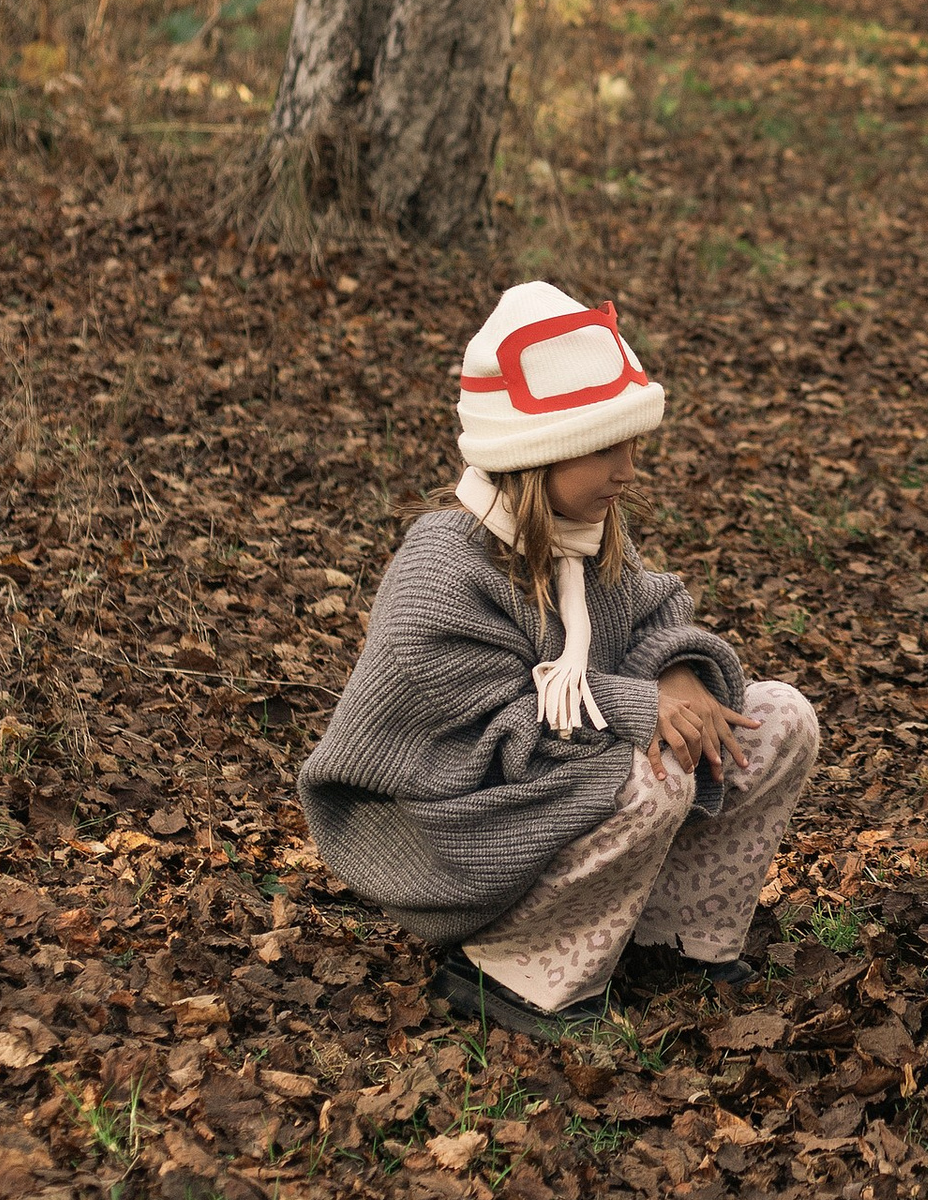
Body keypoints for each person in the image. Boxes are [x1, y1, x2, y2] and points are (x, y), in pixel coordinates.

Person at [300, 281, 819, 1045]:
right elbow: (490, 732)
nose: (628, 471)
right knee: (651, 771)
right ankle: (512, 968)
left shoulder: (591, 529)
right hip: (448, 824)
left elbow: (654, 615)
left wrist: (676, 672)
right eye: (606, 450)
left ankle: (673, 935)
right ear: (536, 456)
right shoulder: (444, 570)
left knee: (781, 720)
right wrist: (642, 706)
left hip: (545, 778)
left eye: (633, 447)